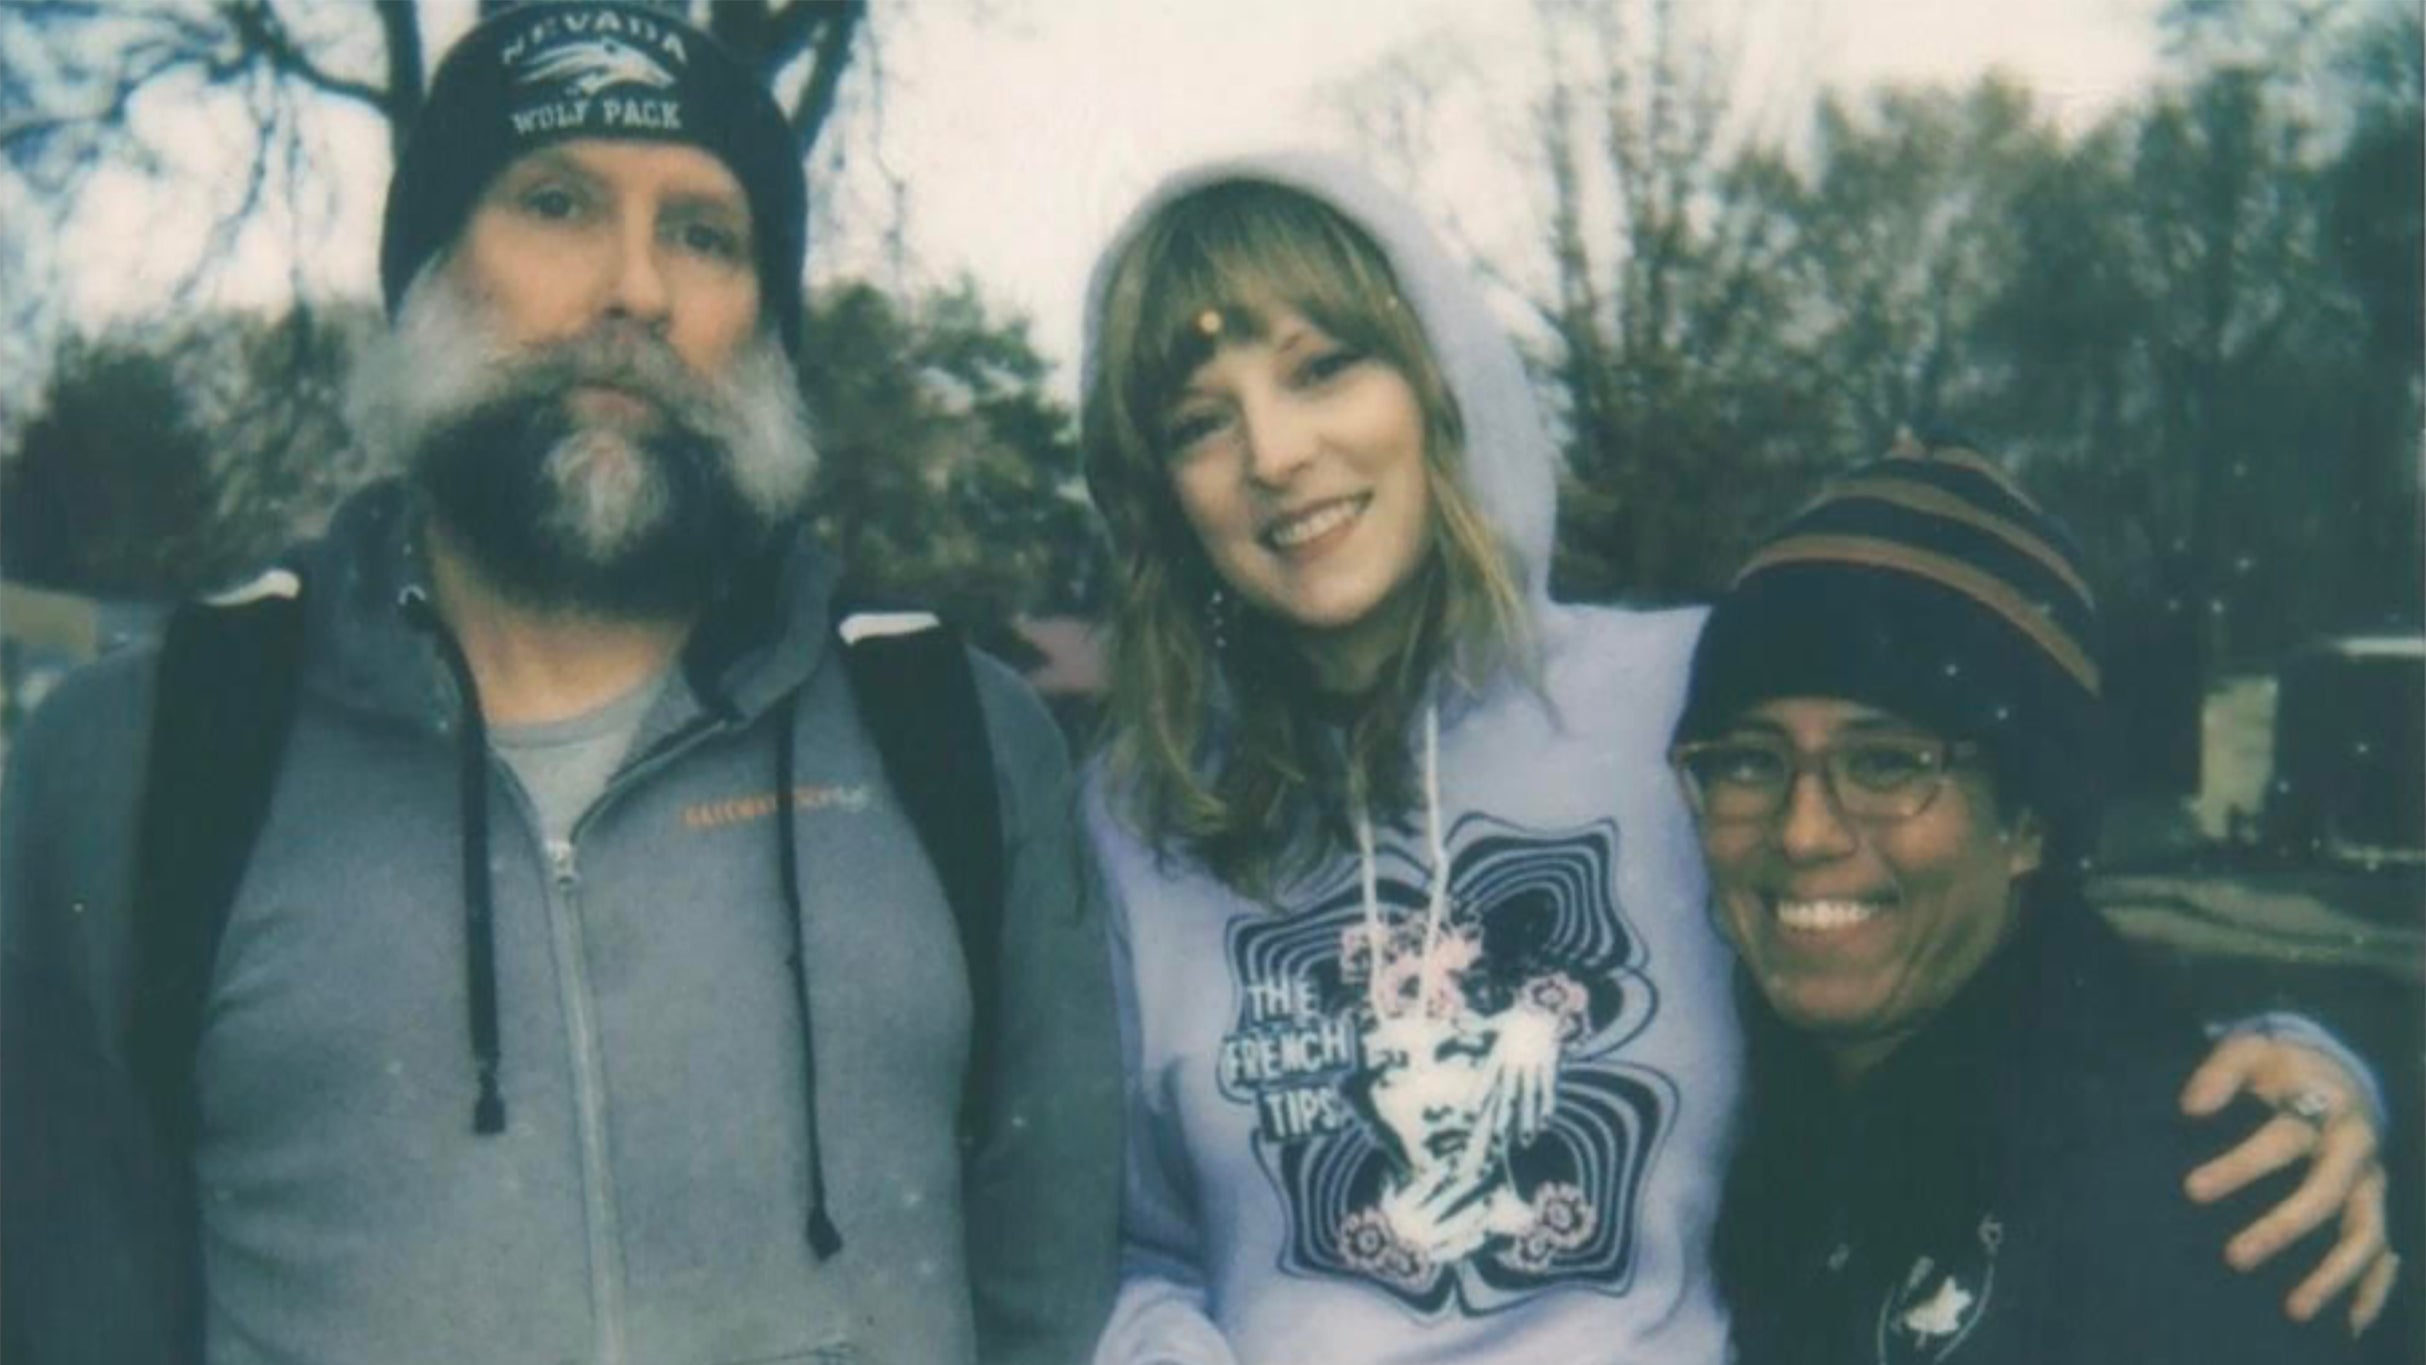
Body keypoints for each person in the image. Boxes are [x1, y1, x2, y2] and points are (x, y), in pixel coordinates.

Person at [1073, 152, 2395, 1363]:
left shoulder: (1685, 699)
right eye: (1198, 421)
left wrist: (2292, 1072)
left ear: (1434, 382)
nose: (1274, 453)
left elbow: (1982, 955)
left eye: (1321, 369)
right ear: (1155, 490)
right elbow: (1127, 1246)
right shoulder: (1134, 813)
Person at [0, 6, 1118, 1363]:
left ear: (765, 323)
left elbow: (1061, 1305)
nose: (636, 288)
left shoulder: (955, 738)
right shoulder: (149, 757)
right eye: (556, 203)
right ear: (422, 273)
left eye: (703, 233)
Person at [1672, 441, 2395, 1361]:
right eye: (1748, 761)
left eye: (1887, 762)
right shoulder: (1733, 1120)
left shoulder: (2207, 1202)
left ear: (2028, 824)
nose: (1804, 831)